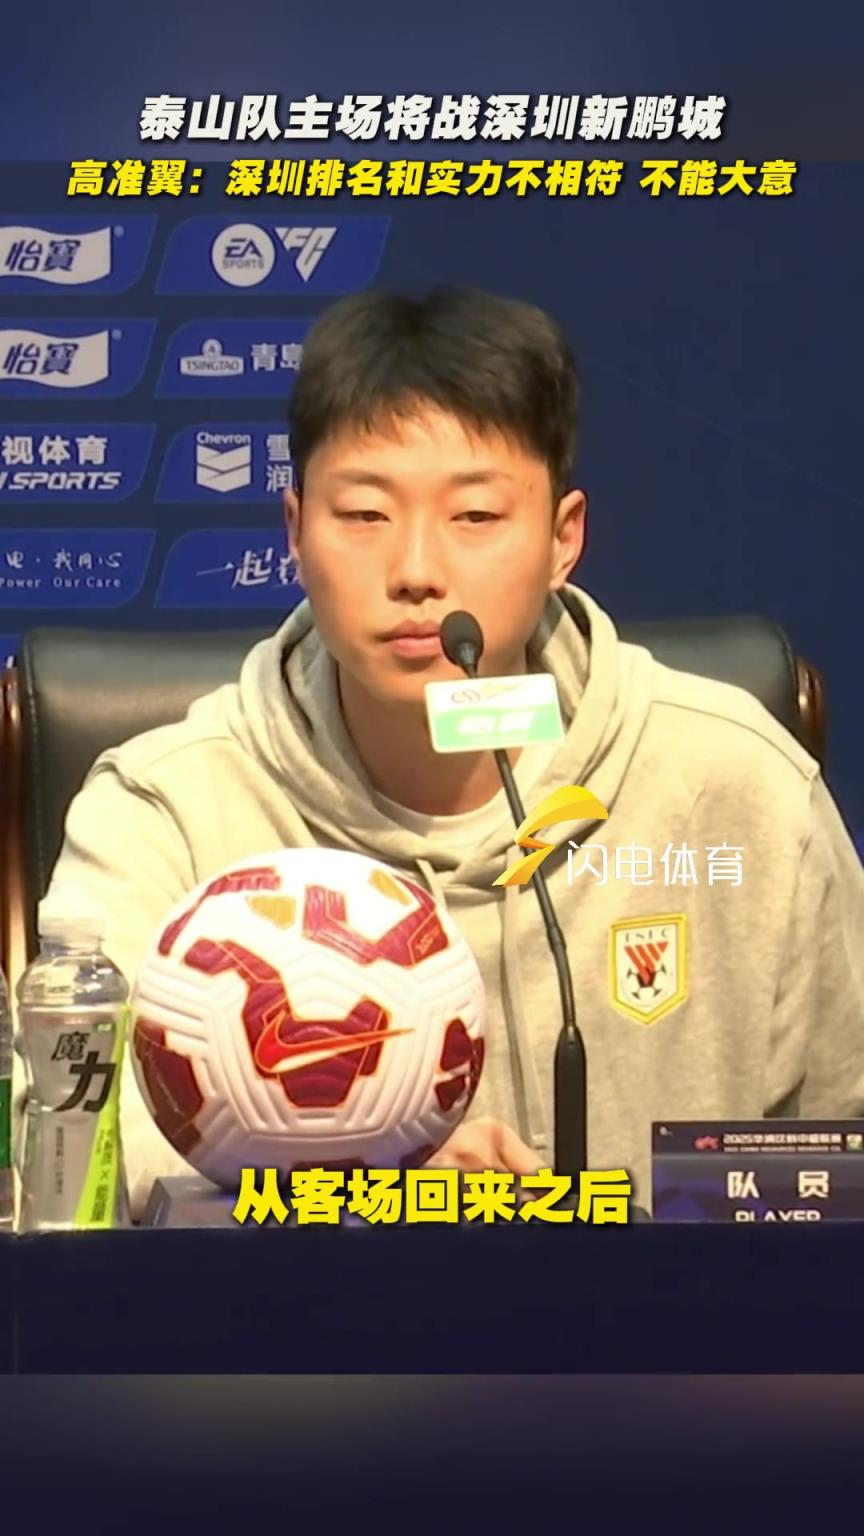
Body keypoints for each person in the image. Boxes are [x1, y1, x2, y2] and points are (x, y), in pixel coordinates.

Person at [47, 285, 864, 1220]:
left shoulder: (740, 785)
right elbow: (86, 1148)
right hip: (287, 1316)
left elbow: (842, 1155)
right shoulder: (165, 809)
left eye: (475, 517)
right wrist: (374, 1197)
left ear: (562, 539)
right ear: (295, 532)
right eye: (365, 515)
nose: (416, 572)